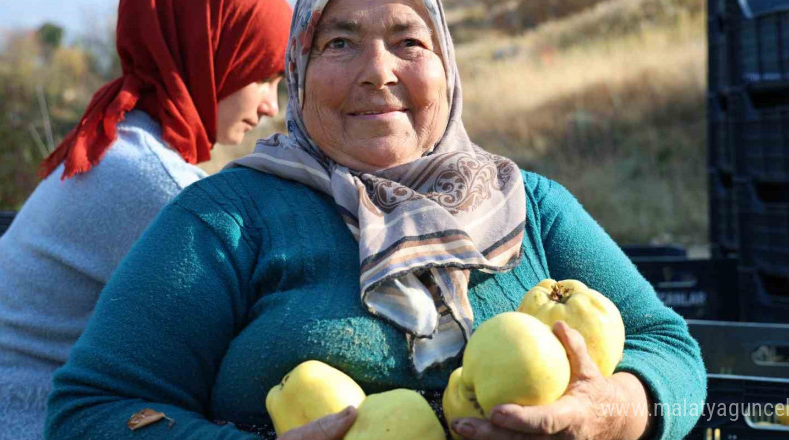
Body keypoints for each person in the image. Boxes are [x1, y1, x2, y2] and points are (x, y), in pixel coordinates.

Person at [45, 0, 707, 438]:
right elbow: (89, 413)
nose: (378, 73)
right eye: (340, 42)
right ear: (299, 71)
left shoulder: (533, 206)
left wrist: (611, 413)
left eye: (407, 40)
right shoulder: (225, 220)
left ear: (446, 67)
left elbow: (672, 351)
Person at [0, 1, 292, 438]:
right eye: (262, 77)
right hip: (28, 420)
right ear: (210, 55)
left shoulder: (122, 143)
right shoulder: (156, 183)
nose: (269, 104)